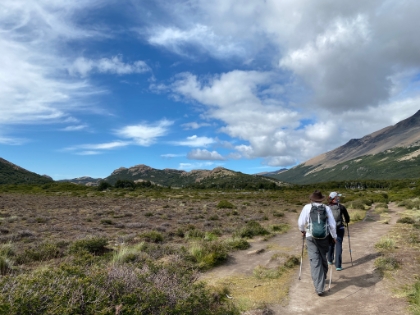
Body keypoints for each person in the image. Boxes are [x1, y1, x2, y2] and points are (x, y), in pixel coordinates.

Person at [298, 190, 337, 296]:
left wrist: (303, 231)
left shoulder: (307, 207)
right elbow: (332, 225)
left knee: (315, 261)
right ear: (321, 199)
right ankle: (322, 277)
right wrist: (334, 237)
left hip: (310, 237)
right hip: (324, 237)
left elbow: (301, 223)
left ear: (312, 199)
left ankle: (319, 288)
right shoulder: (327, 208)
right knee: (323, 258)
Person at [327, 192, 350, 271]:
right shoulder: (341, 207)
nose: (338, 198)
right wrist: (346, 221)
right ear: (334, 198)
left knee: (330, 244)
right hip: (340, 228)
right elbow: (347, 219)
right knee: (338, 244)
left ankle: (330, 260)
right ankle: (338, 265)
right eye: (337, 197)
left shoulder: (327, 207)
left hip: (330, 229)